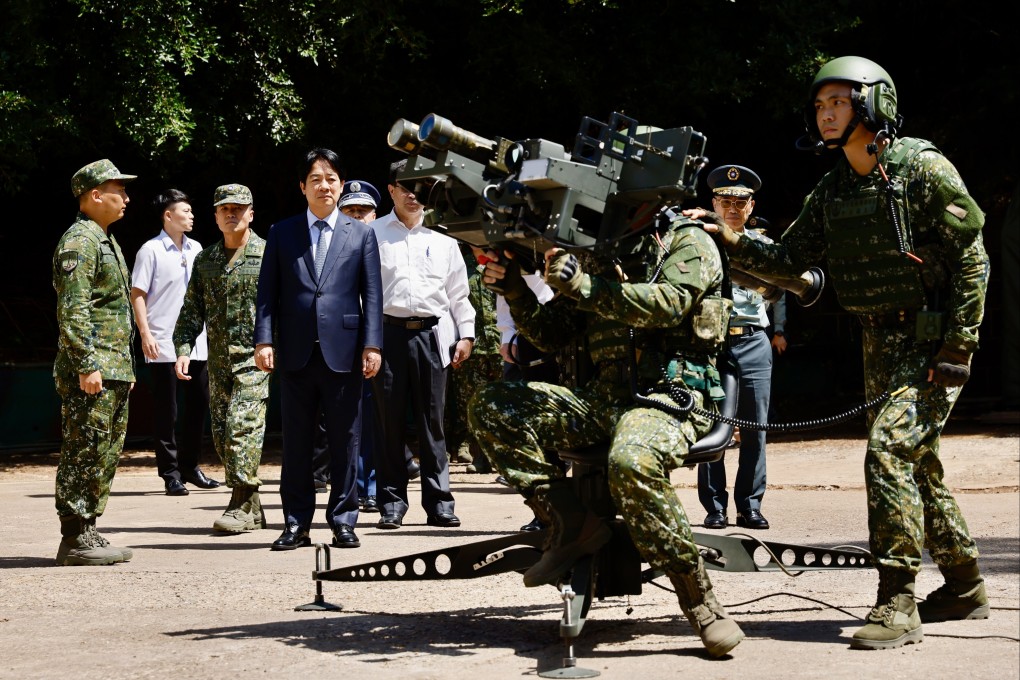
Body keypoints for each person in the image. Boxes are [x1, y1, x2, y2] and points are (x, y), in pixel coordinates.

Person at [688, 55, 990, 650]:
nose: (826, 115)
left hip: (932, 340)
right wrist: (724, 237)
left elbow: (972, 259)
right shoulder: (833, 187)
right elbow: (786, 261)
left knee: (888, 452)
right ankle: (964, 585)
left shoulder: (921, 170)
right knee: (915, 460)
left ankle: (897, 600)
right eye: (821, 106)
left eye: (839, 103)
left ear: (874, 105)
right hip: (879, 338)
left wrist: (959, 345)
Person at [468, 214, 746, 658]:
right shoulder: (596, 255)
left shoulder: (688, 241)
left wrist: (584, 287)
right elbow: (550, 334)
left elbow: (669, 303)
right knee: (494, 406)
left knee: (631, 459)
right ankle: (572, 523)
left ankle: (700, 601)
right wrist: (515, 290)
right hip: (605, 397)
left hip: (670, 395)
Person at [255, 151, 383, 551]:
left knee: (347, 439)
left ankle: (343, 520)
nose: (323, 185)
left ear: (340, 185)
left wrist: (373, 344)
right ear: (302, 187)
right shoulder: (282, 232)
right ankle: (296, 523)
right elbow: (267, 294)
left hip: (344, 353)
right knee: (295, 442)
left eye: (330, 178)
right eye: (315, 179)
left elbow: (373, 296)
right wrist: (264, 339)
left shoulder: (360, 233)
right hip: (294, 352)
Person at [370, 159, 475, 530]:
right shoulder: (373, 234)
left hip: (434, 337)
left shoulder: (445, 239)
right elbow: (361, 294)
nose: (413, 194)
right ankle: (392, 504)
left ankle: (439, 503)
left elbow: (459, 295)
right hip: (387, 336)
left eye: (421, 186)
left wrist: (466, 334)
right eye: (406, 186)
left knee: (434, 424)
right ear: (392, 190)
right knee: (389, 425)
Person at [52, 159, 138, 566]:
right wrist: (87, 364)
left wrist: (124, 367)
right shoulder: (80, 241)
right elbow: (74, 310)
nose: (126, 197)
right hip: (93, 369)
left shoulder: (105, 239)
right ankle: (74, 538)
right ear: (94, 196)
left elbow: (113, 311)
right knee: (85, 450)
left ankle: (88, 530)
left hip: (112, 367)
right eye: (118, 190)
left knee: (103, 451)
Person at [174, 184, 270, 534]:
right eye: (224, 209)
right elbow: (191, 310)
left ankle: (240, 505)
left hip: (256, 359)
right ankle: (254, 509)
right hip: (218, 364)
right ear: (215, 216)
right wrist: (183, 348)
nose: (231, 214)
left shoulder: (269, 255)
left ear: (251, 214)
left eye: (238, 208)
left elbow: (283, 307)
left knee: (241, 428)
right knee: (221, 434)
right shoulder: (206, 260)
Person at [696, 165, 784, 531]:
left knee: (754, 428)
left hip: (752, 340)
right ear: (713, 203)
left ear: (751, 206)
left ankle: (750, 506)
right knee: (711, 428)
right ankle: (714, 508)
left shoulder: (764, 245)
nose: (732, 209)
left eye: (740, 202)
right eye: (725, 201)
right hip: (711, 342)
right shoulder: (698, 241)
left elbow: (782, 289)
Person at [131, 189, 220, 496]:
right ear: (168, 215)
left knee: (198, 405)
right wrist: (145, 334)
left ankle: (190, 466)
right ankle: (169, 473)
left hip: (196, 343)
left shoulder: (197, 248)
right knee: (167, 411)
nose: (191, 215)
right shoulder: (150, 250)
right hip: (162, 342)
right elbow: (138, 294)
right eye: (185, 210)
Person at [445, 245, 503, 471]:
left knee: (502, 401)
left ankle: (501, 455)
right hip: (473, 345)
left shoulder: (499, 260)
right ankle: (480, 455)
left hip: (500, 343)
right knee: (472, 402)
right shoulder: (460, 262)